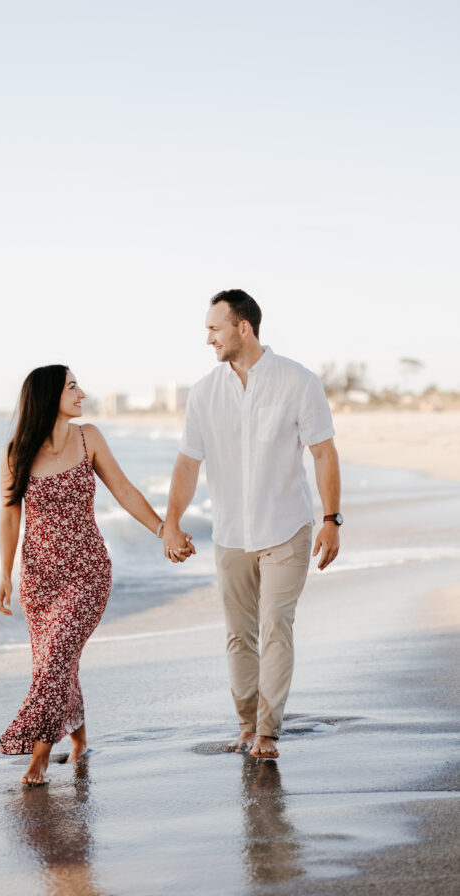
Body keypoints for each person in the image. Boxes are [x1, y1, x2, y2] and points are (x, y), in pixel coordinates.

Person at [162, 289, 341, 760]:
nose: (208, 339)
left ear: (243, 328)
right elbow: (187, 463)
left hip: (287, 527)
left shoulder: (299, 382)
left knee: (276, 625)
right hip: (231, 534)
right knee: (238, 633)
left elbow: (323, 452)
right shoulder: (204, 393)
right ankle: (245, 724)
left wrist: (331, 519)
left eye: (214, 329)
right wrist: (171, 522)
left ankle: (267, 732)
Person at [0, 364, 192, 785]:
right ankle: (79, 739)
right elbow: (10, 518)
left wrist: (162, 530)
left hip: (87, 573)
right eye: (72, 387)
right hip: (39, 579)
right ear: (50, 396)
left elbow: (123, 490)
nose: (82, 393)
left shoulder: (90, 439)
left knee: (56, 656)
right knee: (53, 663)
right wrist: (5, 575)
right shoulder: (17, 452)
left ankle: (39, 757)